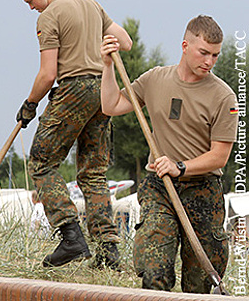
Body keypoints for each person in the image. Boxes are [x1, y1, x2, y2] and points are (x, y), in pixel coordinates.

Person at [100, 15, 237, 293]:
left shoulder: (224, 97)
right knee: (154, 269)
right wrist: (107, 66)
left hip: (202, 190)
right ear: (185, 46)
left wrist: (181, 166)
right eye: (203, 53)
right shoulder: (155, 79)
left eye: (215, 55)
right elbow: (111, 105)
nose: (209, 61)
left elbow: (219, 157)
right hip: (159, 186)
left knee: (198, 283)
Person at [14, 0, 133, 269]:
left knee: (42, 162)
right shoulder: (92, 4)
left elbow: (48, 73)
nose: (31, 9)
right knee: (94, 173)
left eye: (30, 1)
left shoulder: (50, 16)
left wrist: (30, 103)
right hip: (103, 92)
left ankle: (71, 236)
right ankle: (108, 251)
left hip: (74, 89)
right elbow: (126, 42)